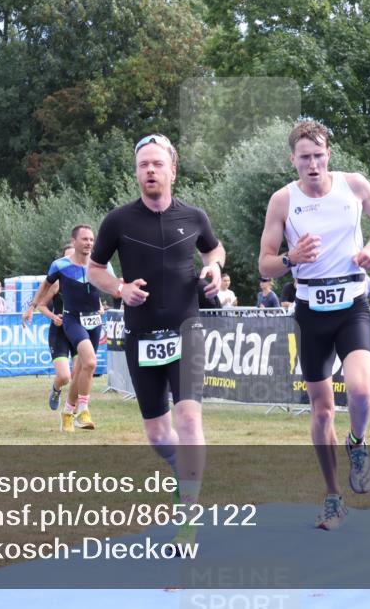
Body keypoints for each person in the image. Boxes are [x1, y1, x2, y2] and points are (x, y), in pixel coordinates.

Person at [258, 120, 370, 531]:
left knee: (360, 391)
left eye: (319, 156)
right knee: (320, 411)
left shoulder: (353, 185)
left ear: (328, 155)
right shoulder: (282, 201)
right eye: (305, 158)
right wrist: (291, 259)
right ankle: (333, 496)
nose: (313, 165)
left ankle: (358, 442)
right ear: (293, 160)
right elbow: (264, 263)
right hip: (310, 310)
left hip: (352, 304)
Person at [88, 133, 225, 529]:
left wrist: (214, 268)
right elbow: (95, 269)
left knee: (188, 421)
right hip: (142, 336)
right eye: (144, 164)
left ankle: (188, 513)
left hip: (187, 329)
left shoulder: (194, 216)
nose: (150, 170)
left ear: (173, 169)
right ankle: (183, 474)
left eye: (158, 163)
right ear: (136, 173)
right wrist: (119, 288)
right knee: (158, 433)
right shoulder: (118, 220)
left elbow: (213, 250)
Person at [37, 225, 112, 432]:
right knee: (88, 362)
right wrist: (34, 307)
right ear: (74, 241)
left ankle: (68, 412)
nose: (89, 242)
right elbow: (43, 290)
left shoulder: (101, 265)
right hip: (71, 321)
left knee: (81, 369)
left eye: (91, 239)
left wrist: (125, 290)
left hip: (93, 322)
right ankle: (83, 411)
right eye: (84, 239)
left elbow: (109, 287)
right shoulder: (60, 266)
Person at [23, 244, 82, 421]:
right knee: (65, 376)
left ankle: (74, 413)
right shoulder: (57, 283)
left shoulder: (86, 278)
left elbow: (95, 301)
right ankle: (56, 389)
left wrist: (99, 309)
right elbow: (42, 305)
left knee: (79, 374)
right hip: (60, 332)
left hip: (79, 330)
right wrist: (53, 317)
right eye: (67, 258)